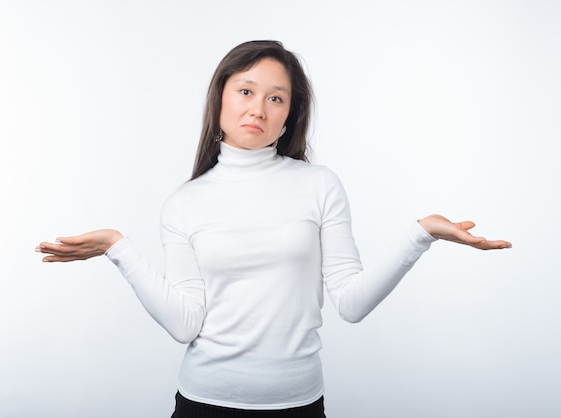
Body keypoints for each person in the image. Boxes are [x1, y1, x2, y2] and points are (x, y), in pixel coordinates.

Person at [36, 40, 511, 418]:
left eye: (275, 98)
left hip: (299, 406)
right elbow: (185, 324)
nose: (257, 109)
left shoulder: (319, 185)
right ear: (220, 96)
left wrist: (420, 234)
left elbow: (351, 302)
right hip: (205, 405)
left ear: (288, 114)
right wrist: (119, 249)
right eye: (245, 90)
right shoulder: (185, 203)